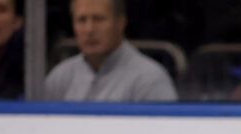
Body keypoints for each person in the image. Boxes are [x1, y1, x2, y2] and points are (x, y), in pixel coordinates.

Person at [44, 0, 176, 102]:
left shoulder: (149, 80)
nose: (89, 29)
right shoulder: (59, 77)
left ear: (121, 22)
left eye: (98, 19)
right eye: (81, 20)